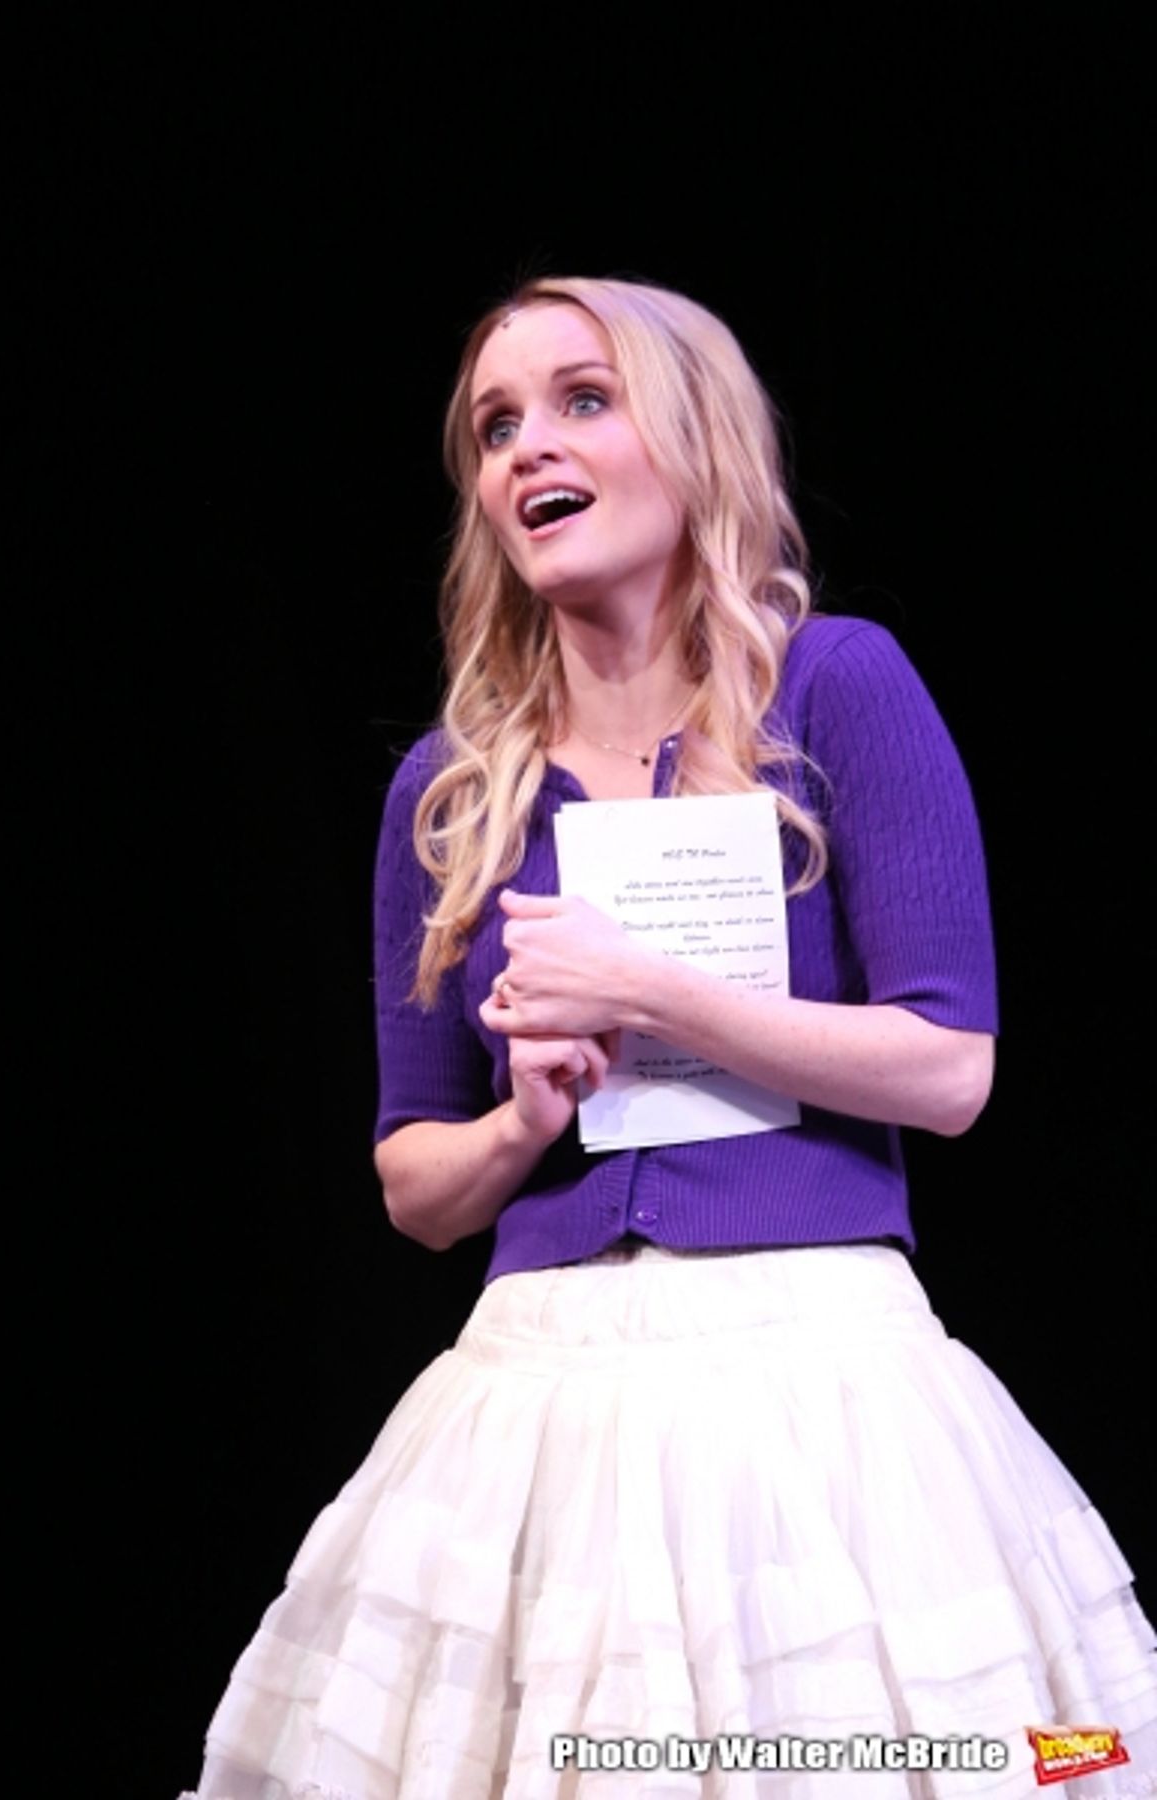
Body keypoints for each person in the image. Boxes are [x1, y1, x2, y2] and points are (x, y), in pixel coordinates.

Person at [182, 278, 1156, 1798]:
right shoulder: (452, 792)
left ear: (695, 437)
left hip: (819, 1380)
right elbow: (412, 1185)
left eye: (582, 399)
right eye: (495, 426)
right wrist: (522, 1119)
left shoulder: (836, 687)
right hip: (537, 1402)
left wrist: (658, 995)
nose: (525, 449)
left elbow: (953, 1070)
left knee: (995, 1760)